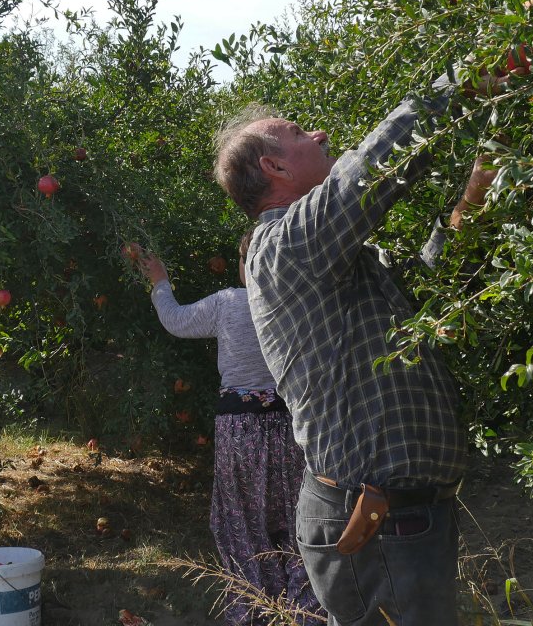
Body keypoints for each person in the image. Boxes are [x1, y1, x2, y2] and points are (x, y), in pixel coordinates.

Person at [211, 72, 497, 626]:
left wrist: (477, 191)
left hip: (403, 519)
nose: (319, 134)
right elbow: (364, 177)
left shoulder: (350, 265)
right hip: (376, 523)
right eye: (298, 133)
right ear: (274, 167)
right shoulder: (280, 248)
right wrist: (463, 77)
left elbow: (433, 293)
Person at [136, 236, 325, 625]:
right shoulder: (301, 302)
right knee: (298, 521)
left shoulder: (228, 303)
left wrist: (160, 280)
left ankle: (253, 612)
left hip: (239, 430)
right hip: (293, 426)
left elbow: (175, 320)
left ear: (244, 265)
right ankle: (305, 614)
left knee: (242, 523)